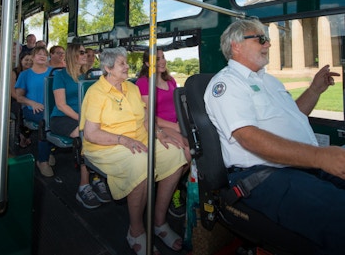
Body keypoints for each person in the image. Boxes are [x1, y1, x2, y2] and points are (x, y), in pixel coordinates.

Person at [204, 18, 345, 254]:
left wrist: (314, 90)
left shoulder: (269, 80)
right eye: (261, 39)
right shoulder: (227, 84)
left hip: (300, 164)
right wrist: (319, 157)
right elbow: (248, 137)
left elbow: (295, 115)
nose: (268, 44)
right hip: (265, 175)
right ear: (236, 45)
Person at [80, 47, 187, 254]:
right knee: (142, 163)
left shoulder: (131, 88)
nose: (127, 66)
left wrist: (160, 134)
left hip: (138, 138)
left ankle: (159, 222)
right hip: (107, 144)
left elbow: (146, 117)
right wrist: (122, 139)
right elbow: (91, 133)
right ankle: (136, 231)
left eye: (126, 63)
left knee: (176, 154)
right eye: (122, 64)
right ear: (108, 68)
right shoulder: (96, 93)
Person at [51, 43, 111, 208]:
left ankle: (97, 177)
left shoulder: (87, 76)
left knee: (102, 130)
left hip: (84, 117)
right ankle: (83, 185)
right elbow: (61, 105)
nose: (86, 55)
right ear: (73, 55)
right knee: (85, 132)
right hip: (62, 118)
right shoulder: (60, 76)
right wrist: (83, 119)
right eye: (82, 53)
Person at [136, 48, 191, 218]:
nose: (162, 61)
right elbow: (149, 115)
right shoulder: (143, 83)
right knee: (187, 149)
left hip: (177, 123)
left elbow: (178, 106)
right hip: (159, 124)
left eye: (163, 57)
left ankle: (170, 185)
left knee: (195, 149)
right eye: (156, 58)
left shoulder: (171, 80)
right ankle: (170, 188)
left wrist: (183, 122)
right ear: (147, 63)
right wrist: (175, 127)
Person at [15, 46, 55, 177]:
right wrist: (32, 103)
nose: (42, 56)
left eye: (45, 54)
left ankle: (47, 151)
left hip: (49, 109)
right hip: (31, 109)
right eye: (39, 54)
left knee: (55, 119)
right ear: (32, 57)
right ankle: (42, 160)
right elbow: (19, 97)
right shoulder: (25, 75)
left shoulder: (53, 72)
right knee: (46, 122)